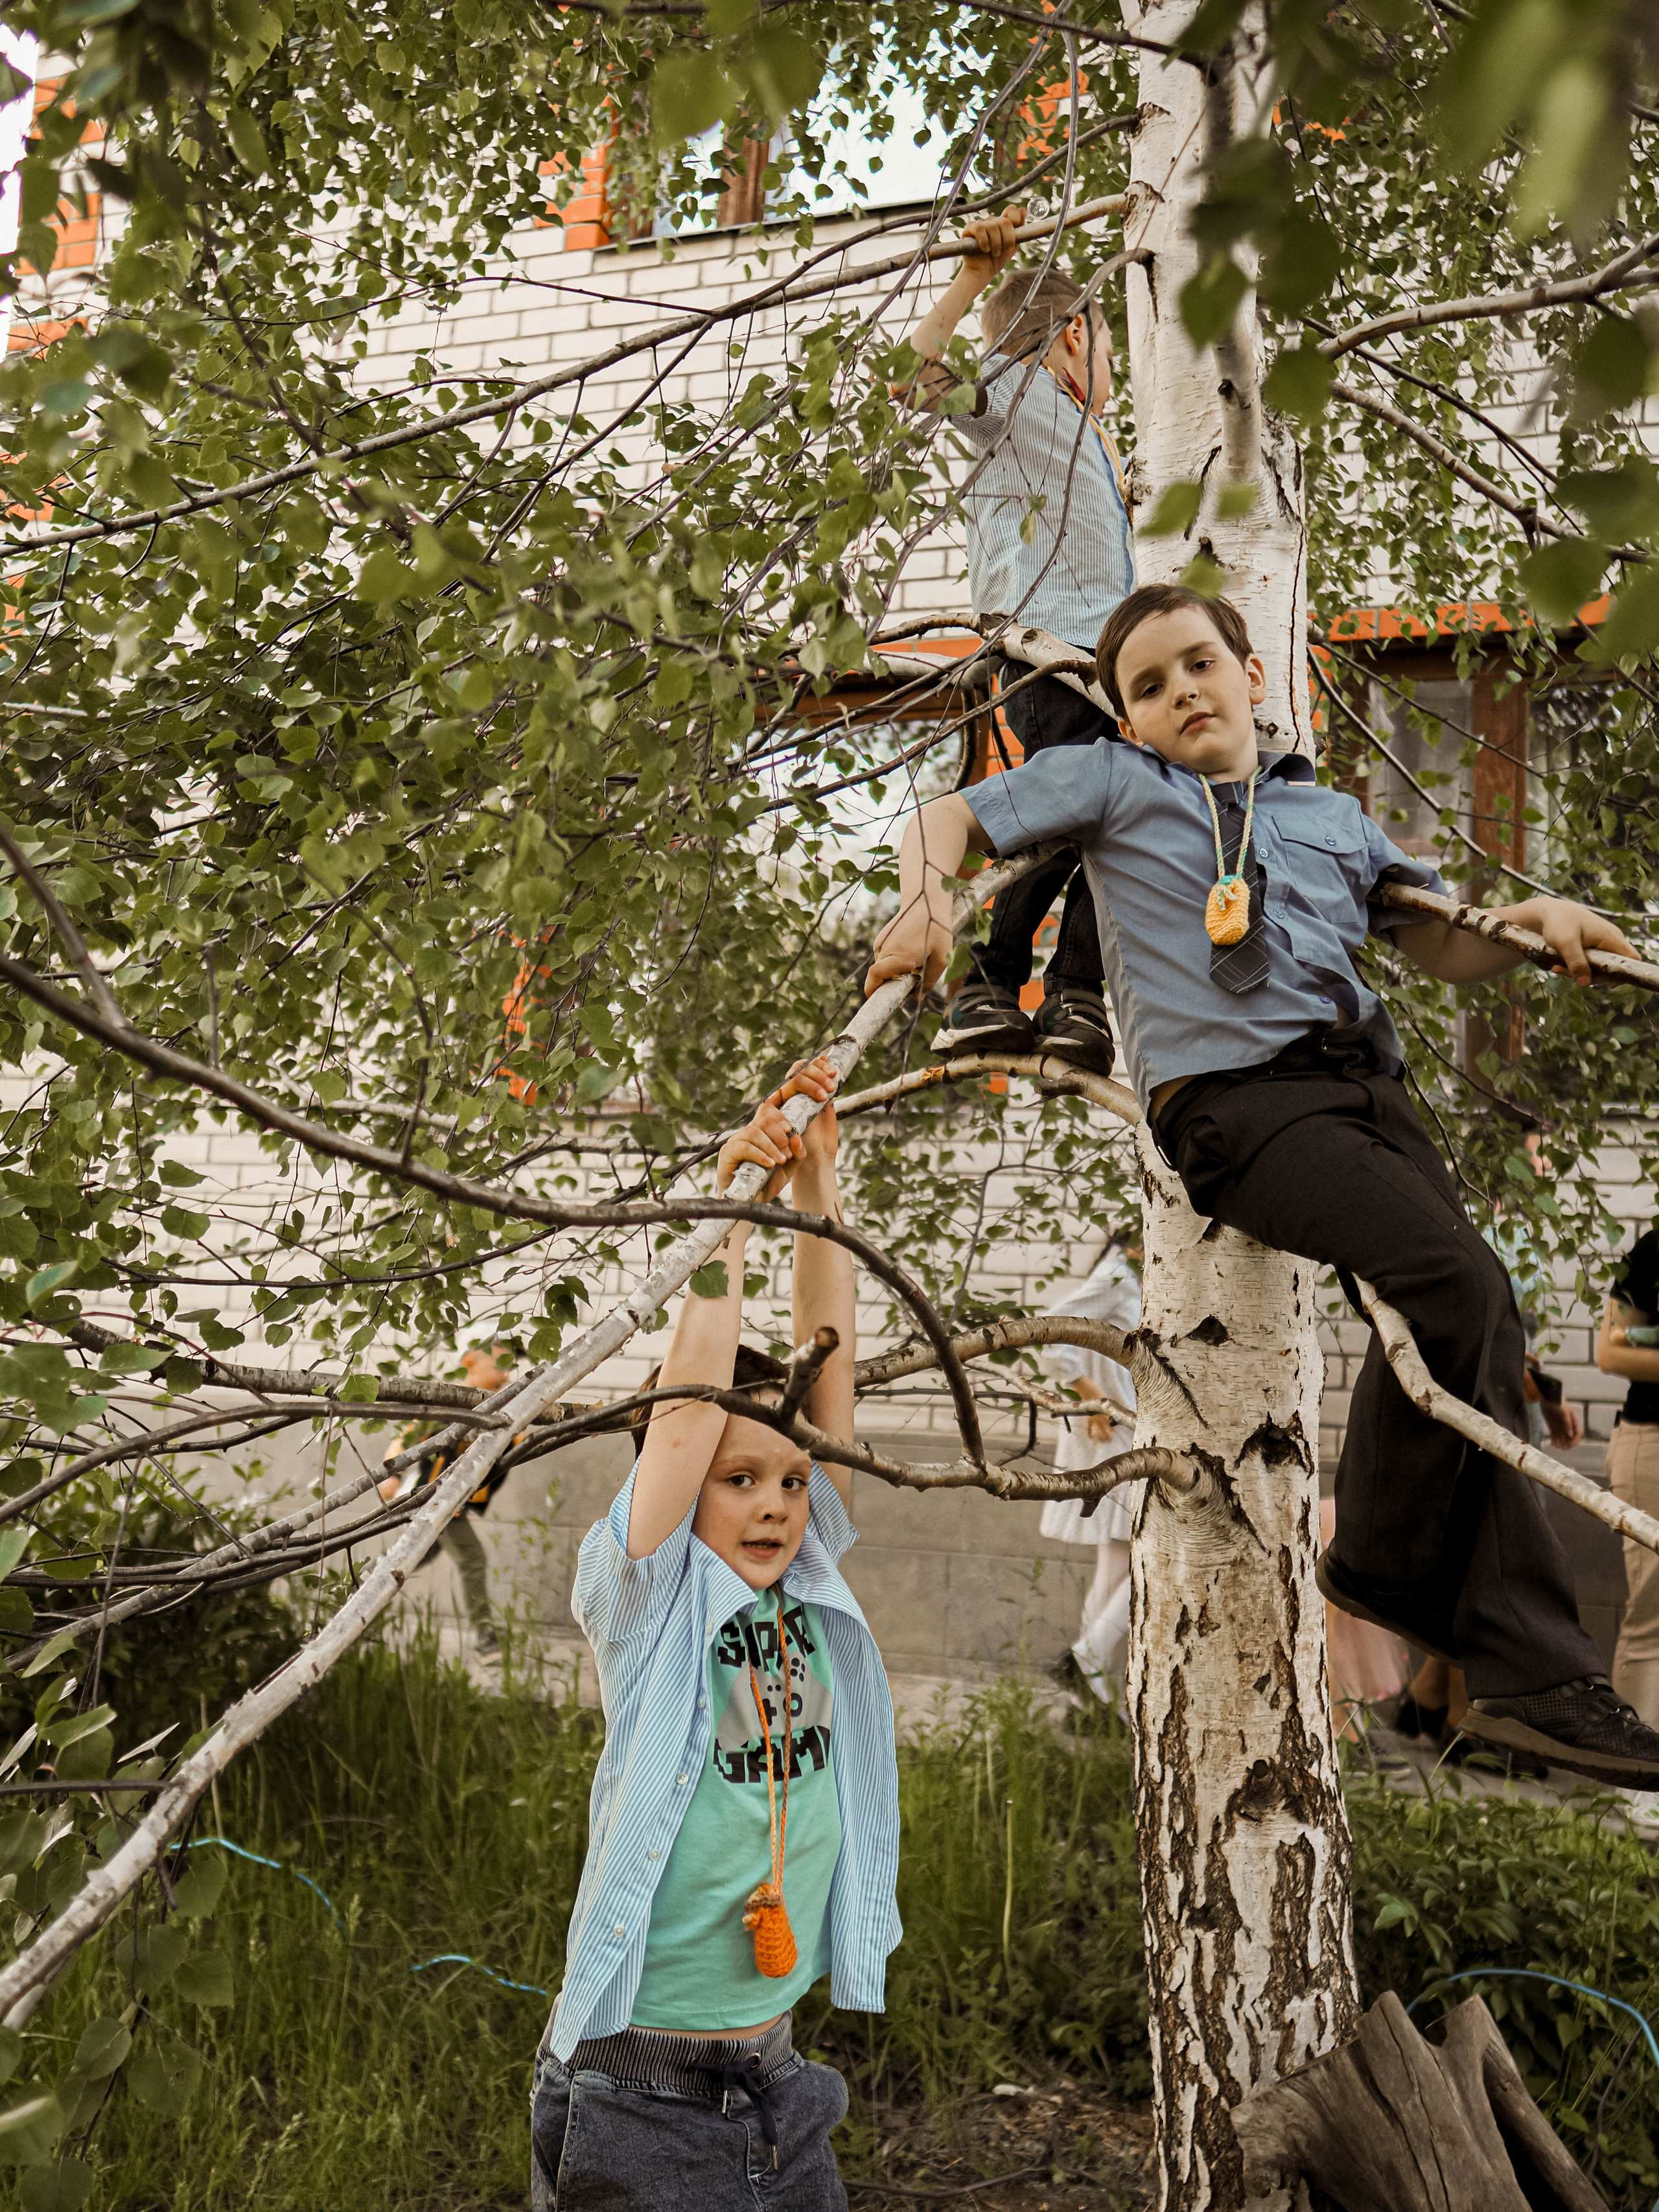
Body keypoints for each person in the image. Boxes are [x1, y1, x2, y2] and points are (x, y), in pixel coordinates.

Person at [864, 578, 1659, 1787]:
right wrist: (925, 907)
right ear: (1127, 720)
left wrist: (1533, 917)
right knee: (1445, 1273)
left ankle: (1530, 1680)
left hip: (1366, 1088)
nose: (1182, 690)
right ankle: (1388, 1567)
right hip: (1236, 1103)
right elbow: (945, 818)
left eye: (1200, 664)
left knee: (1485, 1316)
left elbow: (1434, 938)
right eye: (1150, 684)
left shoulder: (1329, 813)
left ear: (1251, 676)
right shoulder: (1122, 789)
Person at [530, 1056, 898, 2211]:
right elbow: (687, 1416)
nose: (780, 1502)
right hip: (643, 2092)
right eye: (741, 1479)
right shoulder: (649, 1597)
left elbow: (824, 1366)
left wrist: (815, 1187)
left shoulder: (811, 1584)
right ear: (677, 1485)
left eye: (790, 1481)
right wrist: (727, 1218)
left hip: (778, 2077)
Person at [895, 208, 1134, 1082]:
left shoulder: (1085, 437)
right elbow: (914, 377)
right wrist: (969, 280)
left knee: (1116, 820)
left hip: (1099, 667)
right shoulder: (1022, 390)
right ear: (1073, 338)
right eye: (1111, 354)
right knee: (1072, 806)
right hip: (1044, 652)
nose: (1111, 375)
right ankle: (993, 980)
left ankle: (1073, 990)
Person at [1036, 1244, 1143, 1704]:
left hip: (1125, 1428)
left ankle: (1089, 1697)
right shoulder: (1118, 1274)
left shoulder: (1130, 1276)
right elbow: (1050, 1328)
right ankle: (1087, 1659)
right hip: (1113, 1428)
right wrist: (1090, 1393)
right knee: (1149, 1559)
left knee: (1117, 1562)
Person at [380, 1342, 518, 1656]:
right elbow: (408, 1436)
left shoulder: (496, 1406)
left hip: (455, 1503)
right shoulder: (449, 1402)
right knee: (473, 1560)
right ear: (470, 1362)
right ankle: (486, 1637)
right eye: (499, 1364)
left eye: (510, 1367)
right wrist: (394, 1473)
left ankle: (359, 1594)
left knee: (409, 1559)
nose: (506, 1373)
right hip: (440, 1500)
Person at [1599, 1222, 1659, 1724]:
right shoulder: (1654, 1249)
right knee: (1652, 1618)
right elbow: (1610, 1351)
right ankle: (1632, 1793)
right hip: (1651, 1446)